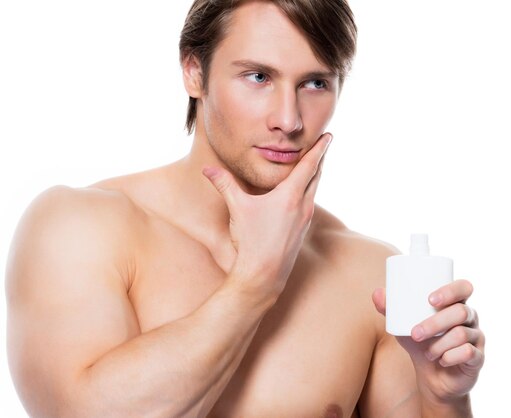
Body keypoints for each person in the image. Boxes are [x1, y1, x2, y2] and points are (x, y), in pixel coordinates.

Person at [5, 0, 485, 416]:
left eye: (315, 83)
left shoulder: (366, 274)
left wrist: (444, 397)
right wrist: (255, 282)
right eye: (258, 77)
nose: (289, 119)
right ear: (194, 71)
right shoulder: (79, 229)